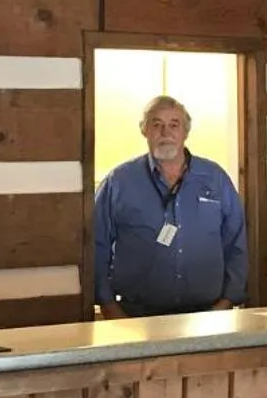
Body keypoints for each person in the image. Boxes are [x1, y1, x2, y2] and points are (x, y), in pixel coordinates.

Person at [93, 95, 247, 318]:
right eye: (157, 125)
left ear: (186, 132)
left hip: (209, 316)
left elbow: (237, 243)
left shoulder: (215, 178)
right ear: (144, 130)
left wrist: (227, 302)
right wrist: (108, 306)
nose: (166, 133)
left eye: (174, 125)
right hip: (137, 317)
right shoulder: (119, 182)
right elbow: (97, 247)